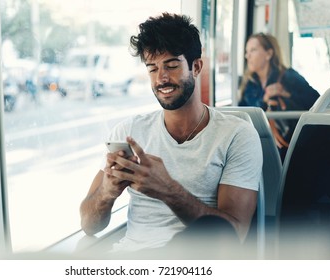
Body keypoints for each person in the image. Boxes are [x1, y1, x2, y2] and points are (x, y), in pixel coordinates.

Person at [80, 13, 263, 256]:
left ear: (196, 66)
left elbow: (235, 233)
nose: (161, 78)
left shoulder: (237, 135)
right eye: (152, 68)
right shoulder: (129, 132)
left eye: (172, 66)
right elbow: (89, 226)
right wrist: (107, 192)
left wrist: (168, 189)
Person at [239, 32, 320, 161]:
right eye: (246, 51)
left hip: (292, 145)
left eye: (253, 50)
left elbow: (317, 101)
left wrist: (286, 94)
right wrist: (263, 101)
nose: (247, 56)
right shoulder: (249, 84)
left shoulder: (289, 77)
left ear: (269, 54)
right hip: (258, 144)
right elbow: (241, 113)